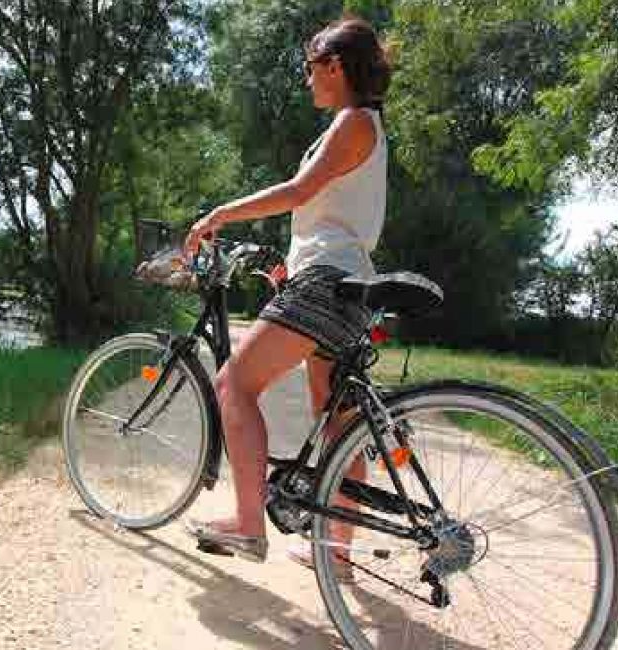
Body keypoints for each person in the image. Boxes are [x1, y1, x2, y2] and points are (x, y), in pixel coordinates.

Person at [181, 17, 391, 574]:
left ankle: (249, 526)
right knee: (339, 421)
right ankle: (339, 553)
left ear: (336, 66)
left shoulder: (352, 121)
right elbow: (332, 218)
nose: (307, 81)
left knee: (234, 382)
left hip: (328, 281)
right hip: (341, 282)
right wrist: (290, 269)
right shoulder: (362, 126)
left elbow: (300, 192)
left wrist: (221, 214)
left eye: (310, 68)